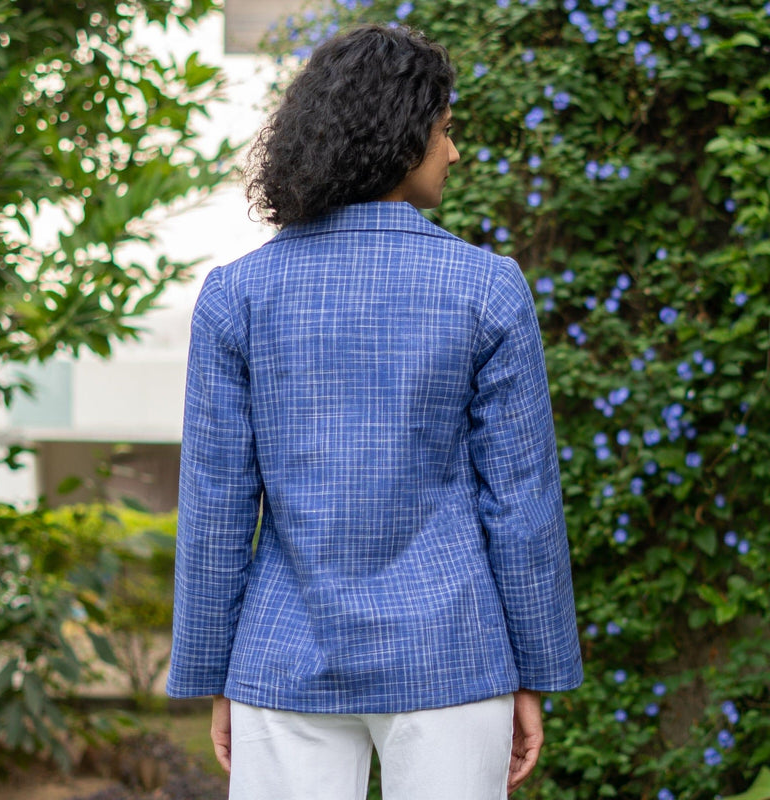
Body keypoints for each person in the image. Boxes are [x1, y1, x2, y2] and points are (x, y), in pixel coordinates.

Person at [167, 23, 583, 800]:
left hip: (281, 654)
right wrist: (534, 670)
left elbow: (217, 507)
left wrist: (215, 670)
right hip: (453, 651)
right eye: (445, 131)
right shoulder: (486, 289)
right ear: (400, 137)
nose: (453, 153)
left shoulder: (238, 297)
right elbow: (521, 505)